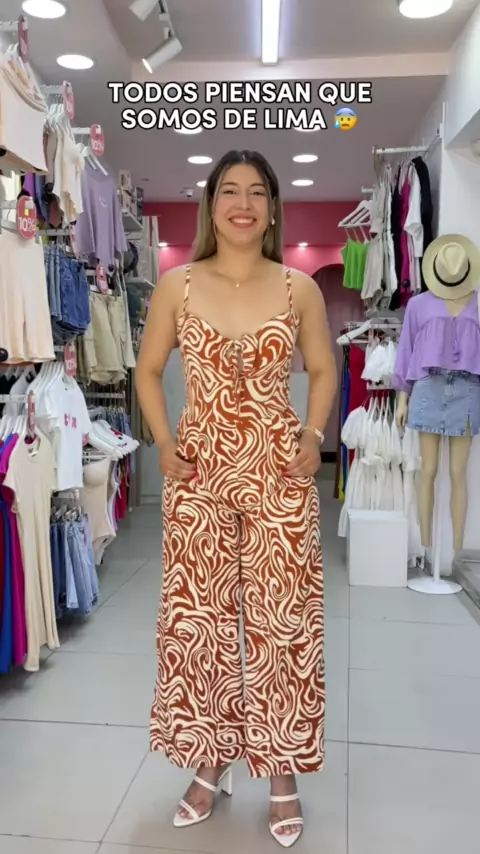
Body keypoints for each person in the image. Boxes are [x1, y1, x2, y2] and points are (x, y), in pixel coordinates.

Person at [135, 149, 337, 848]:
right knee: (201, 624)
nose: (242, 204)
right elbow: (148, 369)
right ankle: (209, 761)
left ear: (273, 207)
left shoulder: (299, 289)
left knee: (285, 625)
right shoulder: (178, 286)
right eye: (229, 191)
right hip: (200, 476)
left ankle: (282, 772)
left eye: (256, 192)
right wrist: (164, 442)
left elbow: (322, 369)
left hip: (280, 472)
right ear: (211, 205)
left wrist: (314, 433)